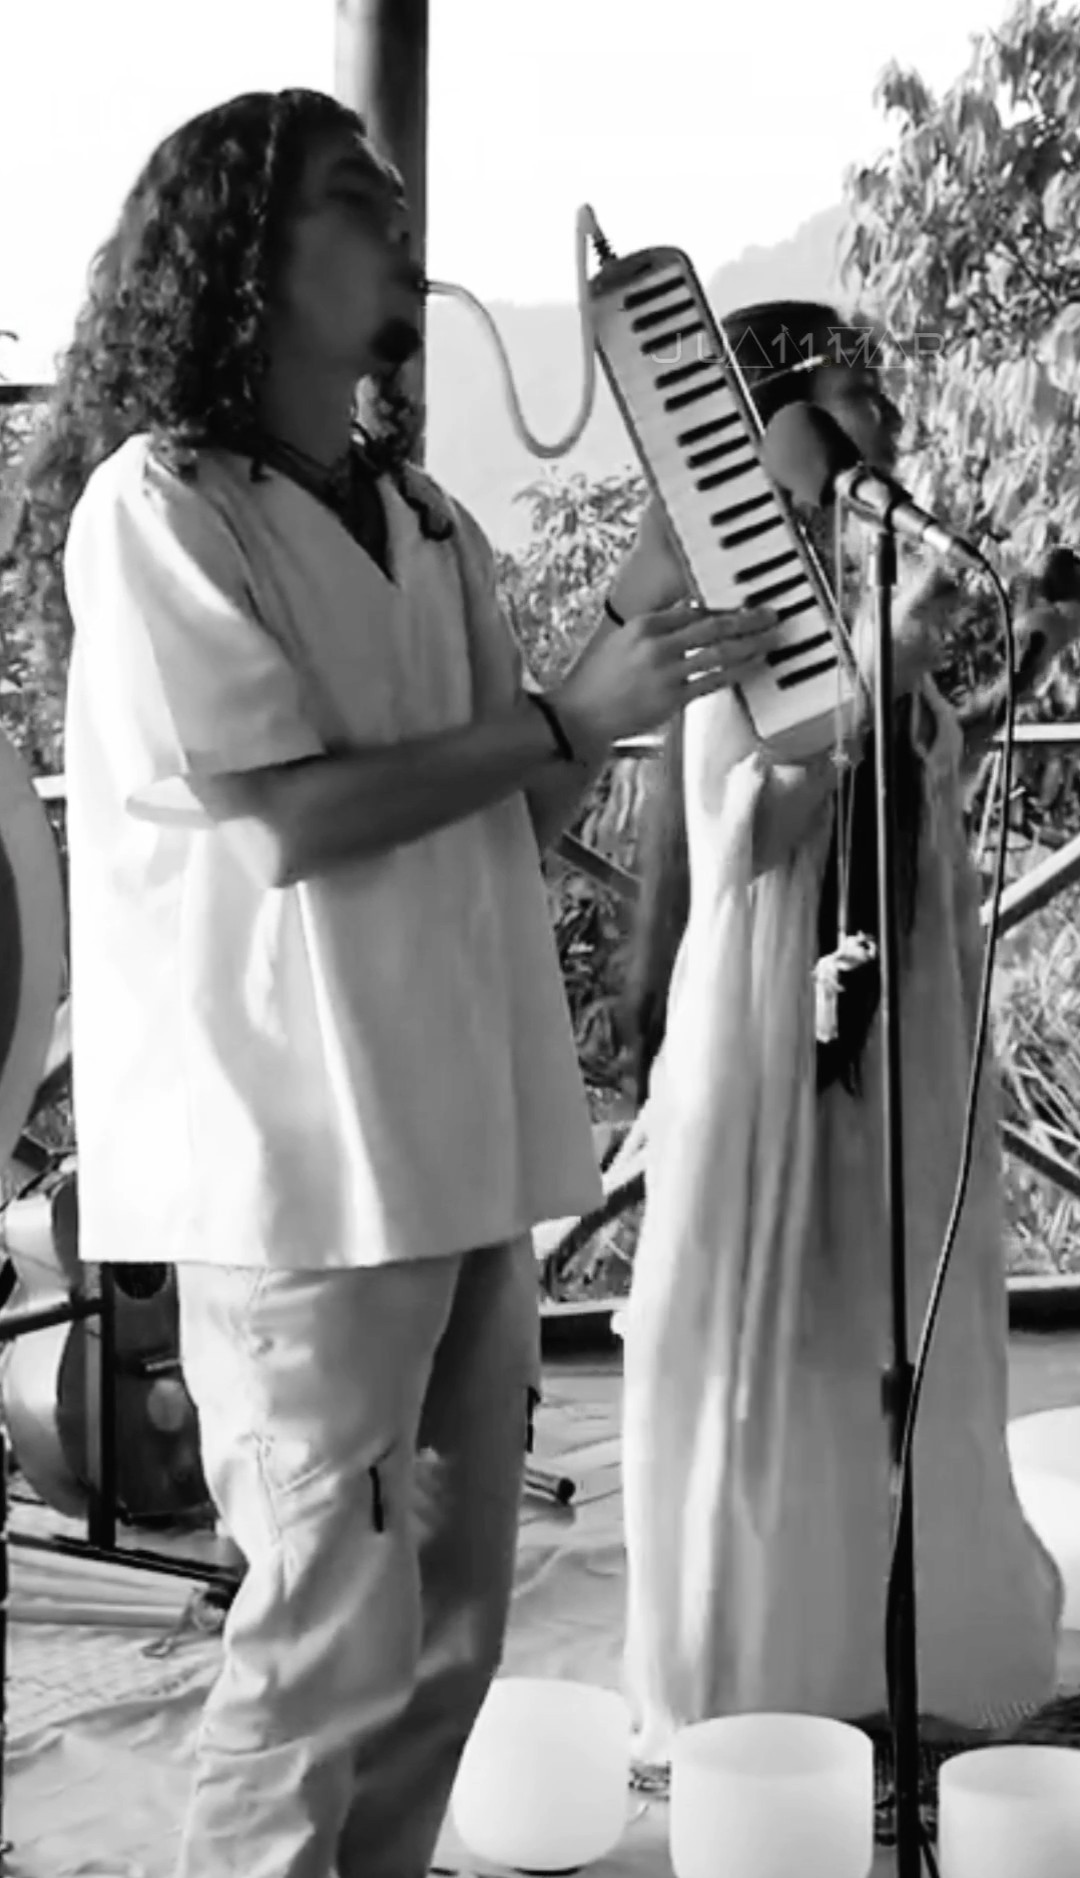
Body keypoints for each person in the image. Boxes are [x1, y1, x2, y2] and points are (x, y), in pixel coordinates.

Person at [7, 87, 780, 1878]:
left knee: (449, 1642)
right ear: (248, 254)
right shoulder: (160, 505)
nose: (401, 213)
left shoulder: (429, 520)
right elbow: (285, 819)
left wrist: (634, 621)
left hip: (460, 1146)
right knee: (321, 1653)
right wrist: (565, 713)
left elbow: (526, 806)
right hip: (293, 1166)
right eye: (355, 193)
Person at [619, 299, 1075, 1767]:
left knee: (891, 1334)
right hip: (774, 1034)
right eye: (855, 390)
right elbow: (761, 822)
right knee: (783, 1345)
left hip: (903, 1030)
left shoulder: (869, 585)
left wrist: (1004, 668)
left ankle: (903, 1655)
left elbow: (913, 777)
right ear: (785, 430)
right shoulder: (742, 609)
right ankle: (776, 1680)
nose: (891, 415)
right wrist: (889, 648)